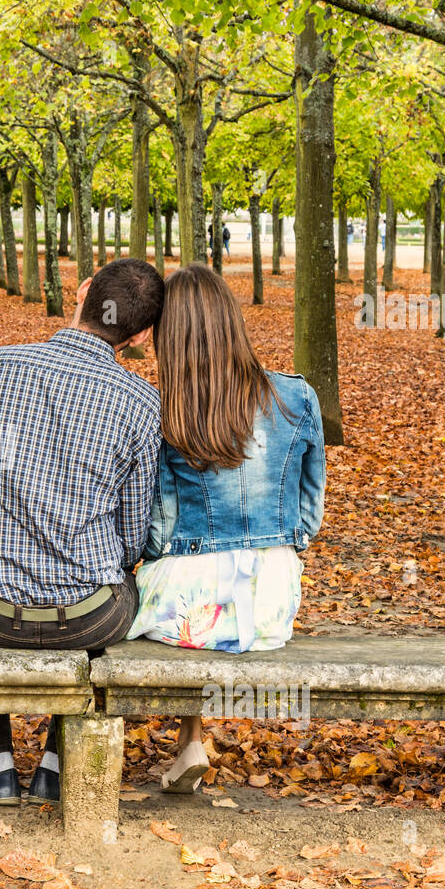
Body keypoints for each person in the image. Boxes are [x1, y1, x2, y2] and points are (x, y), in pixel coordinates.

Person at [0, 258, 164, 806]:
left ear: (81, 291)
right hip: (90, 617)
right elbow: (132, 540)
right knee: (118, 597)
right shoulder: (142, 404)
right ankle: (56, 767)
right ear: (142, 335)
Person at [126, 263, 326, 795]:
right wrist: (279, 546)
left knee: (153, 599)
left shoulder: (161, 408)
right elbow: (309, 514)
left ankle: (186, 740)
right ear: (231, 319)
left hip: (187, 609)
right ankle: (191, 739)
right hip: (268, 605)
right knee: (206, 604)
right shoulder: (297, 396)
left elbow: (157, 528)